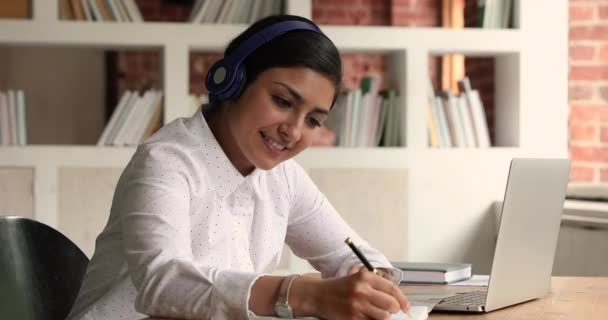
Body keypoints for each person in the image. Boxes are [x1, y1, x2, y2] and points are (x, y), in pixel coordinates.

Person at [67, 15, 409, 320]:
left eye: (313, 120)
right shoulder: (166, 161)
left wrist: (373, 284)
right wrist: (301, 294)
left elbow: (348, 254)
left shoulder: (283, 177)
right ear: (231, 80)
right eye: (282, 101)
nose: (292, 131)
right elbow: (162, 282)